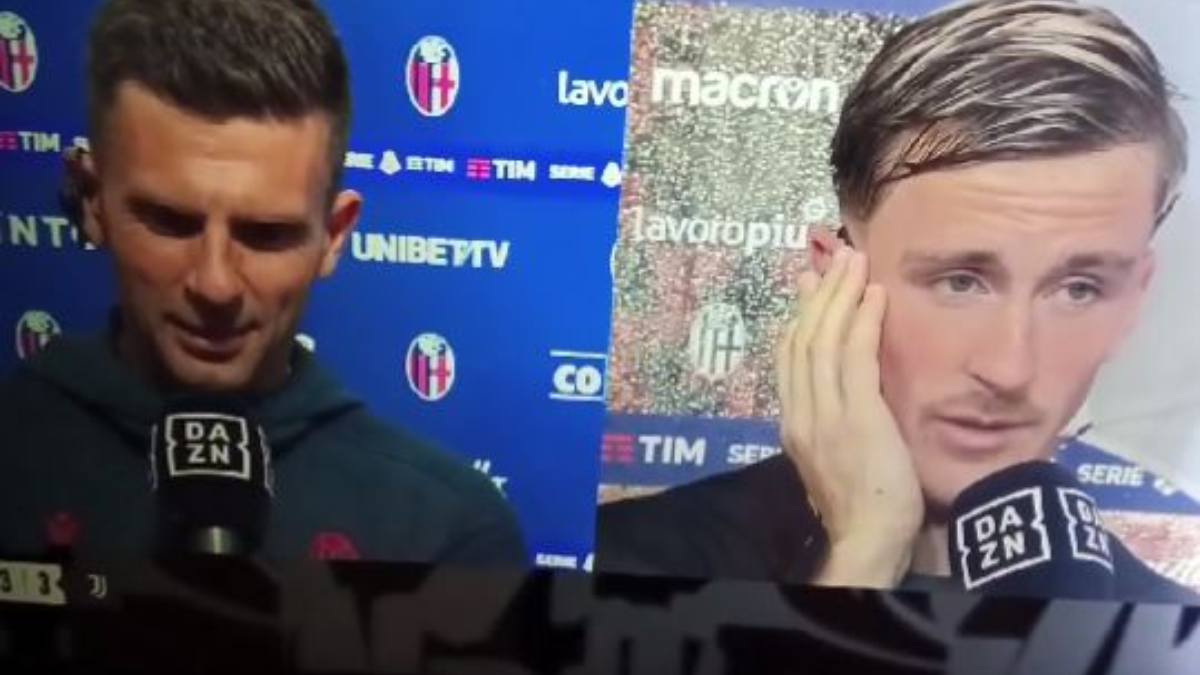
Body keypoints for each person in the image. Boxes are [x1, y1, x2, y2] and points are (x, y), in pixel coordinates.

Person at [597, 0, 1196, 601]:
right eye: (960, 282)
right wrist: (866, 552)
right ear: (835, 276)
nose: (1009, 369)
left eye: (1079, 289)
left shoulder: (1170, 629)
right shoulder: (623, 570)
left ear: (1133, 301)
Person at [0, 0, 525, 565]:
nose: (216, 285)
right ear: (91, 202)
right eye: (171, 223)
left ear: (334, 236)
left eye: (266, 234)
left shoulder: (449, 530)